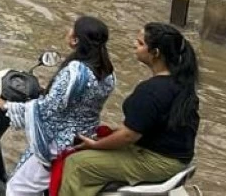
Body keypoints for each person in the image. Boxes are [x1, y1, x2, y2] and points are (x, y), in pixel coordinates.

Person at [58, 23, 199, 196]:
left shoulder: (151, 90)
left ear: (155, 53)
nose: (134, 45)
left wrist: (96, 144)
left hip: (156, 161)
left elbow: (128, 136)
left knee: (76, 163)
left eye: (140, 43)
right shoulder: (182, 83)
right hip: (176, 159)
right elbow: (152, 125)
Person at [0, 16, 117, 196]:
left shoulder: (75, 72)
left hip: (59, 142)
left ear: (76, 40)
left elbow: (47, 109)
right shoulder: (108, 72)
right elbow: (78, 102)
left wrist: (8, 106)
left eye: (72, 28)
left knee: (17, 188)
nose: (68, 30)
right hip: (85, 135)